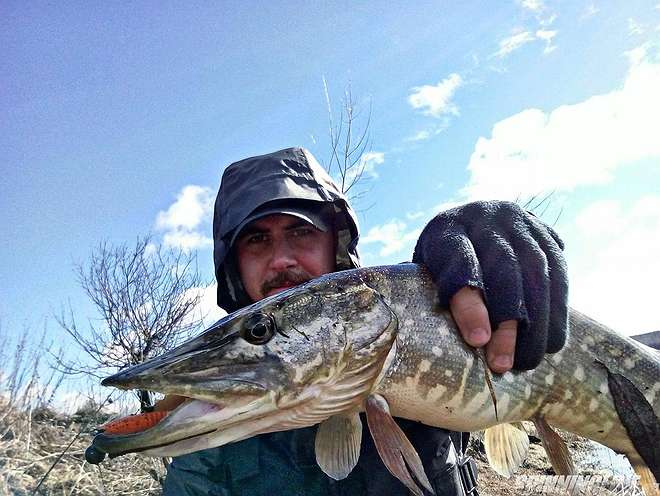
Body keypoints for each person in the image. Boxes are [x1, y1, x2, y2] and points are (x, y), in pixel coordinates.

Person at [160, 147, 568, 495]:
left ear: (334, 245)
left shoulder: (408, 319)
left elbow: (468, 296)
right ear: (233, 266)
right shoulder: (204, 436)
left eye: (300, 232)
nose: (281, 259)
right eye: (256, 239)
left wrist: (485, 242)